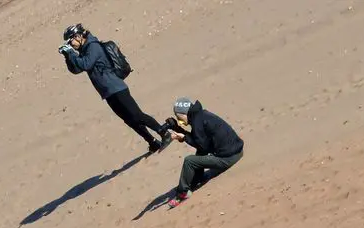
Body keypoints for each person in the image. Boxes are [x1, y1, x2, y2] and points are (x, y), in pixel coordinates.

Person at [59, 23, 172, 154]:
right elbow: (76, 69)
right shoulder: (84, 50)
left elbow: (85, 64)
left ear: (78, 36)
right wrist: (67, 56)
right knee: (129, 120)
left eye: (70, 40)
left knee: (137, 115)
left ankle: (164, 133)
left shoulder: (93, 46)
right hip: (108, 93)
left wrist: (71, 54)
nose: (70, 44)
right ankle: (152, 142)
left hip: (116, 88)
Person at [165, 97, 244, 208]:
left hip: (229, 158)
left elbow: (203, 147)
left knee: (189, 161)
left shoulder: (197, 123)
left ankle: (183, 193)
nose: (180, 121)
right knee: (199, 151)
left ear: (184, 114)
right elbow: (201, 141)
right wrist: (178, 129)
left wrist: (183, 137)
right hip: (237, 150)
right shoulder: (201, 115)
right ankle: (198, 177)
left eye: (179, 118)